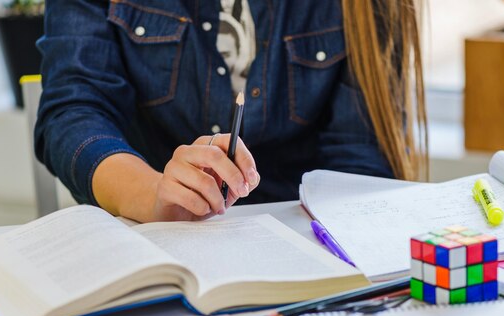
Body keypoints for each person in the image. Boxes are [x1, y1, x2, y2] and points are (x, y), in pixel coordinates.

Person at [35, 0, 427, 223]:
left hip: (307, 243)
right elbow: (72, 111)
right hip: (154, 244)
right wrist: (150, 193)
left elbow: (359, 159)